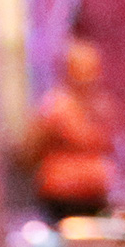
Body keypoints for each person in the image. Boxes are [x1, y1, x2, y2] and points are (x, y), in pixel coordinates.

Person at [21, 38, 114, 220]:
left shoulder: (101, 106)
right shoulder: (53, 107)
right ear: (68, 69)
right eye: (82, 67)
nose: (89, 74)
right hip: (63, 196)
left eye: (92, 67)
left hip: (95, 196)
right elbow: (30, 151)